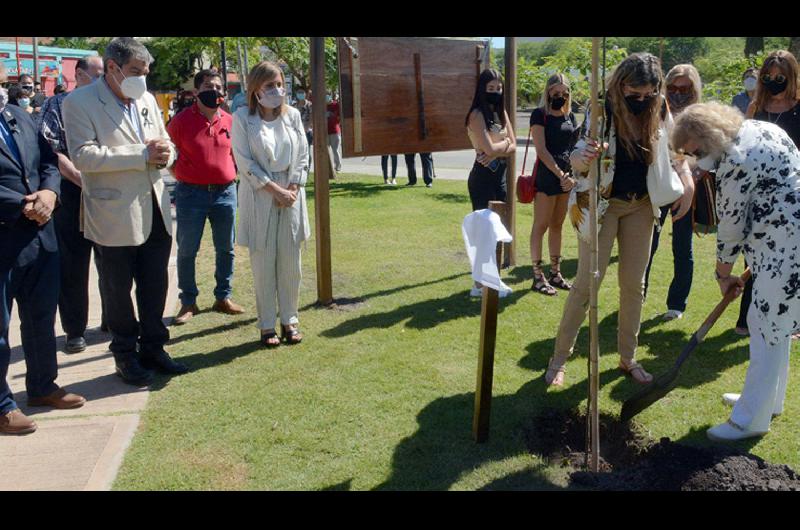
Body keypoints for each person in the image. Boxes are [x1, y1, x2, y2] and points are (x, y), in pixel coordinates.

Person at [546, 52, 694, 387]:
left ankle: (628, 358)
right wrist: (583, 158)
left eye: (648, 94)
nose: (641, 100)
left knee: (633, 285)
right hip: (603, 206)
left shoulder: (660, 108)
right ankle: (559, 360)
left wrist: (687, 181)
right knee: (587, 283)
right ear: (620, 85)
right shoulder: (601, 109)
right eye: (634, 94)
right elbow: (577, 160)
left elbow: (675, 154)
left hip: (641, 205)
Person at [62, 37, 188, 386]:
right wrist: (141, 155)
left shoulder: (145, 98)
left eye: (146, 72)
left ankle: (154, 348)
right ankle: (124, 355)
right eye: (135, 71)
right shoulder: (80, 102)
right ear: (113, 68)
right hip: (113, 212)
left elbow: (164, 143)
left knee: (155, 283)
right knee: (118, 289)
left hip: (155, 208)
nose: (142, 78)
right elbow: (83, 156)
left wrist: (167, 153)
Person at [672, 101, 800, 441]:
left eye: (694, 150)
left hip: (785, 245)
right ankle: (767, 401)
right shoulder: (764, 129)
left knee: (766, 325)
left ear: (708, 136)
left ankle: (749, 419)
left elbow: (729, 228)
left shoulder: (735, 162)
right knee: (777, 325)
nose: (695, 160)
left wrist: (722, 274)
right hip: (784, 241)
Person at [1, 61, 86, 436]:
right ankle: (3, 405)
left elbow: (49, 161)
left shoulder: (18, 115)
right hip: (5, 237)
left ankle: (42, 386)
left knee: (40, 318)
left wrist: (50, 193)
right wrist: (24, 204)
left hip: (40, 238)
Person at [231, 61, 310, 348]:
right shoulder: (242, 118)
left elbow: (303, 154)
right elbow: (244, 162)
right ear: (255, 89)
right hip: (260, 195)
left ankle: (290, 320)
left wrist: (292, 189)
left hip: (291, 196)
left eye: (279, 84)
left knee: (291, 263)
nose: (276, 90)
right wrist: (275, 190)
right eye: (269, 85)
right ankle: (266, 325)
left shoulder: (293, 116)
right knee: (263, 263)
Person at [39, 54, 107, 353]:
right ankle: (74, 330)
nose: (104, 78)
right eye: (98, 73)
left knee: (112, 261)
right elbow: (53, 150)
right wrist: (82, 179)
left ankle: (113, 319)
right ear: (78, 75)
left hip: (107, 192)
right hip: (71, 194)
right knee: (72, 265)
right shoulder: (56, 105)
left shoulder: (108, 105)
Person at [168, 69, 244, 325]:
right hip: (191, 195)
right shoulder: (180, 121)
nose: (216, 91)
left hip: (225, 193)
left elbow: (237, 156)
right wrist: (179, 174)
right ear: (197, 91)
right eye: (209, 86)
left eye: (219, 87)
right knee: (188, 249)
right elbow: (168, 155)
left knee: (226, 248)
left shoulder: (231, 121)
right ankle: (188, 302)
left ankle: (223, 297)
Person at [736, 50, 800, 338]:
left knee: (793, 260)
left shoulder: (799, 109)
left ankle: (793, 320)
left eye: (780, 78)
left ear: (791, 77)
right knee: (753, 259)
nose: (774, 82)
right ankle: (747, 319)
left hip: (792, 197)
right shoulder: (755, 108)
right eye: (768, 77)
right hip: (758, 197)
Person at [643, 64, 703, 321]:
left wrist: (689, 177)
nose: (678, 93)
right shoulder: (657, 109)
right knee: (648, 244)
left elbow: (707, 153)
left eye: (684, 88)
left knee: (682, 246)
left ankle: (677, 303)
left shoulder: (701, 115)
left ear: (694, 88)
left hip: (688, 188)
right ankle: (638, 293)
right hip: (658, 185)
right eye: (673, 87)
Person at [465, 68, 517, 296]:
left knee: (498, 229)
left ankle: (491, 279)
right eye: (491, 88)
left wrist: (498, 149)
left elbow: (514, 145)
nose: (496, 92)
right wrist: (501, 147)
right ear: (482, 89)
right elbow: (488, 148)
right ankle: (481, 284)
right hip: (482, 179)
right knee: (484, 230)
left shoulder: (501, 112)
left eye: (499, 88)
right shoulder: (477, 114)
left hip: (500, 177)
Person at [528, 73, 579, 296]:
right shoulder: (539, 115)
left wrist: (571, 176)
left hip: (566, 179)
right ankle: (537, 276)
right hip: (548, 178)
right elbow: (541, 150)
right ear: (547, 92)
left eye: (564, 92)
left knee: (558, 225)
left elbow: (574, 149)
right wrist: (559, 174)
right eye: (555, 92)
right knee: (541, 225)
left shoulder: (570, 117)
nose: (560, 96)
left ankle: (555, 273)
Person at [292, 87, 312, 166]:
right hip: (296, 133)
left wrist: (306, 128)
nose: (300, 94)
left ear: (305, 94)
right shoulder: (293, 105)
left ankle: (307, 168)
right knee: (297, 152)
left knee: (307, 151)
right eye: (298, 92)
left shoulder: (309, 105)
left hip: (306, 132)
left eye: (302, 92)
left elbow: (311, 117)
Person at [326, 92, 342, 172]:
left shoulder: (336, 105)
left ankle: (338, 167)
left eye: (327, 95)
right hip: (325, 132)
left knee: (335, 150)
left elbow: (340, 117)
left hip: (335, 131)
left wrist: (332, 115)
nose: (326, 97)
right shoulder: (322, 106)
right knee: (325, 150)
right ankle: (328, 167)